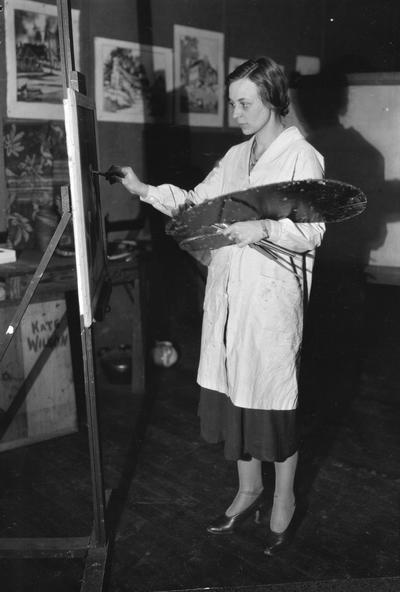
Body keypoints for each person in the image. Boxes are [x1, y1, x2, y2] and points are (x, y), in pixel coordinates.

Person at [107, 57, 325, 555]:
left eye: (244, 103)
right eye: (232, 103)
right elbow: (195, 202)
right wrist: (143, 189)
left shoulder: (302, 158)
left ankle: (284, 500)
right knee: (234, 392)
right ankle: (248, 489)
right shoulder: (233, 157)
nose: (236, 113)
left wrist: (264, 228)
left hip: (271, 297)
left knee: (271, 399)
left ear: (272, 98)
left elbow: (312, 231)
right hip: (229, 290)